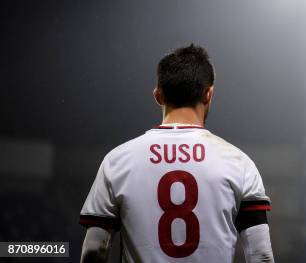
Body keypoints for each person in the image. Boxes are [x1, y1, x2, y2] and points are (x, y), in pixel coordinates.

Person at [79, 44, 274, 263]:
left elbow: (94, 250)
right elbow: (261, 255)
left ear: (158, 95)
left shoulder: (117, 161)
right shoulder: (239, 163)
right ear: (209, 94)